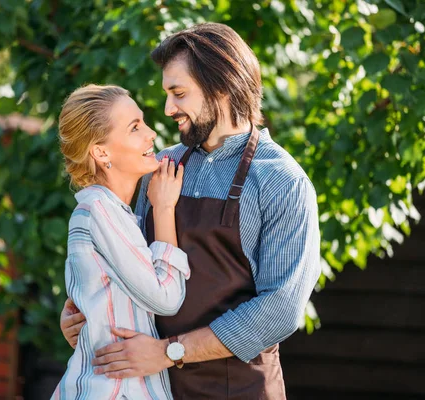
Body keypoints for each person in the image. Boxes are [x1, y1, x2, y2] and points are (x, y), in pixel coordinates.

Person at [61, 23, 321, 399]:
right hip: (154, 388)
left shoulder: (282, 182)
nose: (168, 109)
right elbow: (133, 268)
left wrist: (169, 352)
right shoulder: (160, 167)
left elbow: (280, 309)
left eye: (178, 93)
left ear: (221, 86)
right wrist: (84, 313)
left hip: (240, 391)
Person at [52, 84, 191, 400]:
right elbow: (167, 298)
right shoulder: (99, 209)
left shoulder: (109, 212)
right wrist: (164, 209)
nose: (151, 133)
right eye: (135, 127)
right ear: (101, 152)